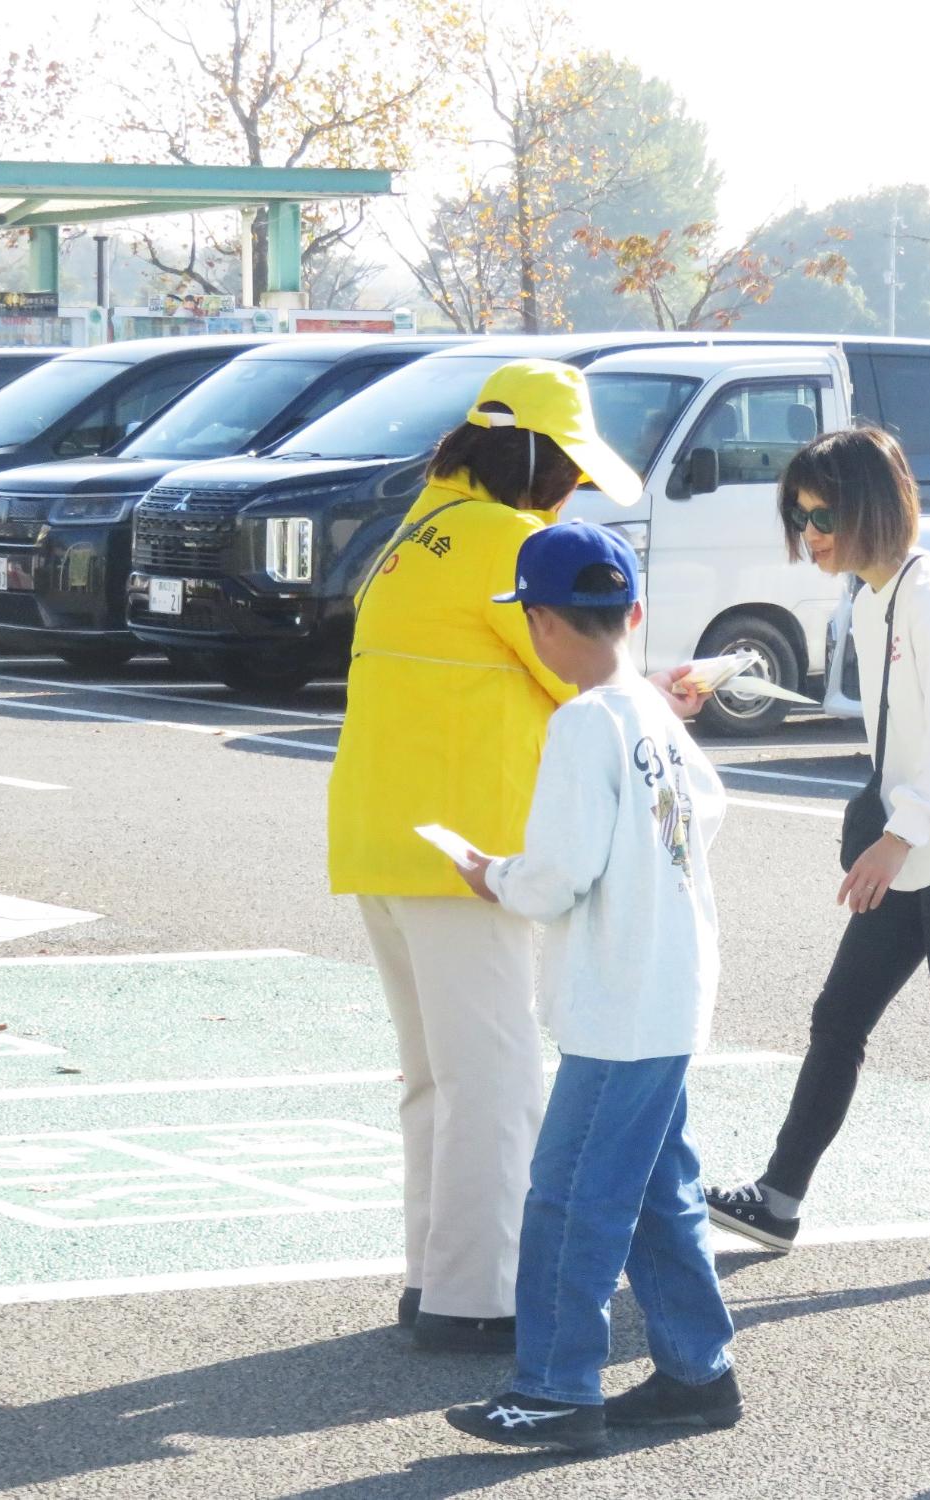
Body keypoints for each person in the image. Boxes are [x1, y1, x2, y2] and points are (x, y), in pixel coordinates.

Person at [327, 360, 693, 1354]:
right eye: (569, 468)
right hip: (467, 854)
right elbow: (580, 674)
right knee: (493, 1080)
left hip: (381, 837)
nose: (571, 488)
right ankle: (477, 1296)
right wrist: (662, 695)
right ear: (535, 458)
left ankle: (434, 1275)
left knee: (435, 1079)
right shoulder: (509, 542)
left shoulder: (416, 532)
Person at [704, 425, 930, 1267]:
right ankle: (779, 1199)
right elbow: (906, 744)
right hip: (914, 848)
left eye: (823, 514)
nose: (811, 535)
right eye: (800, 517)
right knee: (839, 1018)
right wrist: (888, 828)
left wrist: (893, 839)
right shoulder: (871, 596)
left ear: (872, 506)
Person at [443, 522, 738, 1457]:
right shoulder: (652, 712)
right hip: (672, 984)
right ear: (633, 614)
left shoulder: (582, 723)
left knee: (569, 1196)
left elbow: (559, 871)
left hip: (616, 1000)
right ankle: (698, 1371)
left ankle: (558, 1387)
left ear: (538, 622)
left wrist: (492, 875)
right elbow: (712, 809)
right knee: (657, 1189)